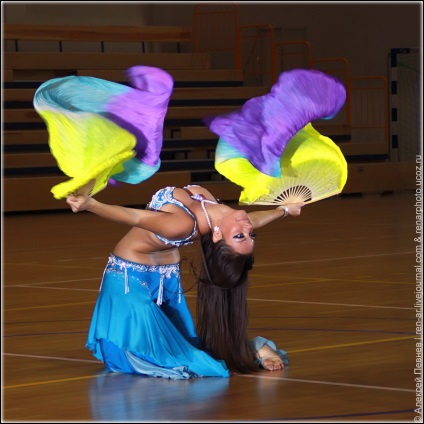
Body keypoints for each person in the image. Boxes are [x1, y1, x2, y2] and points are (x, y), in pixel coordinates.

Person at [67, 182, 303, 379]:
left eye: (240, 235)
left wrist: (92, 205)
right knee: (174, 348)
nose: (246, 227)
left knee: (132, 355)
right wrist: (283, 210)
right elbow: (253, 220)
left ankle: (250, 350)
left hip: (130, 277)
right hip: (163, 278)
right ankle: (249, 350)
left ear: (218, 235)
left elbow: (133, 215)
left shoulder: (181, 225)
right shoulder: (226, 219)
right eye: (249, 235)